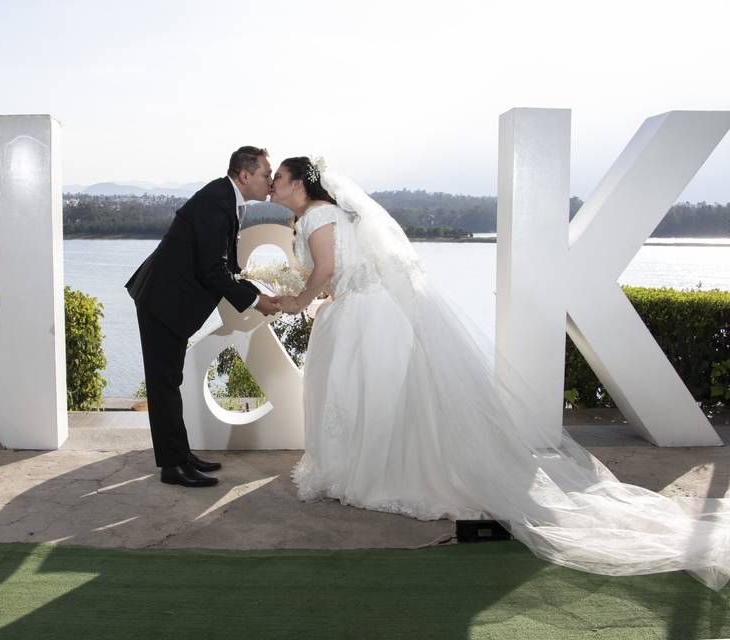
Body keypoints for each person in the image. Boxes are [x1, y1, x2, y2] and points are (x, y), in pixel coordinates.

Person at [270, 155, 730, 590]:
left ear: (298, 184)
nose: (273, 185)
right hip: (373, 312)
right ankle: (368, 466)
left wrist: (296, 300)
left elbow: (327, 269)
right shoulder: (340, 214)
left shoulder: (315, 216)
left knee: (358, 393)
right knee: (378, 395)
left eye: (279, 179)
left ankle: (362, 471)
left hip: (358, 317)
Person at [126, 146, 281, 488]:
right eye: (266, 174)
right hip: (162, 302)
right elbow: (213, 270)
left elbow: (228, 265)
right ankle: (172, 467)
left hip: (169, 302)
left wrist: (259, 291)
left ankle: (181, 455)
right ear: (245, 175)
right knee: (164, 385)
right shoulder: (217, 201)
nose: (270, 181)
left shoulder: (227, 199)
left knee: (170, 382)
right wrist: (257, 301)